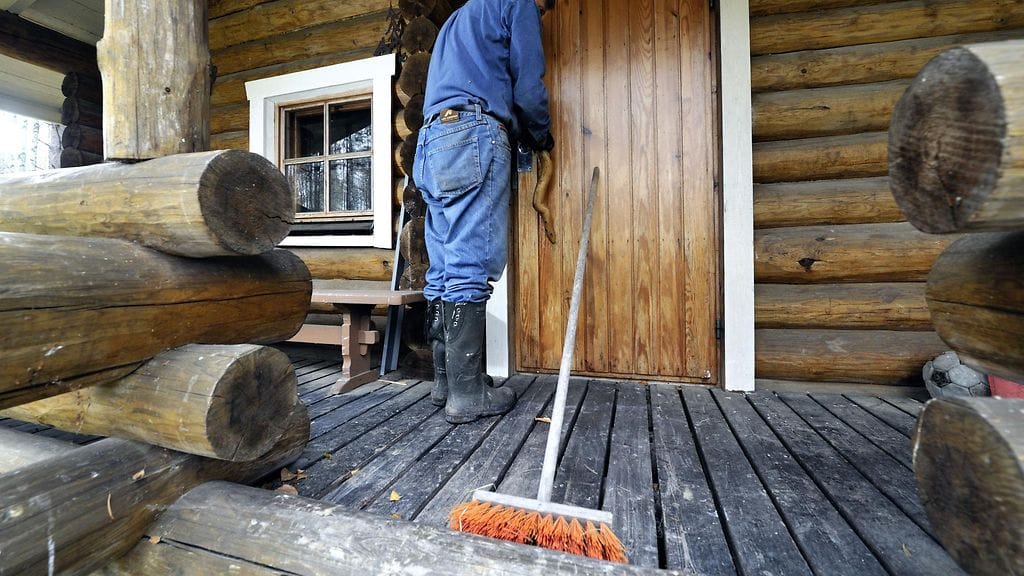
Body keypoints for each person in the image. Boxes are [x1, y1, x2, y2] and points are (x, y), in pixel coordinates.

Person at [413, 0, 555, 424]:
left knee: (443, 265)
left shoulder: (457, 19)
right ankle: (468, 395)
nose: (544, 13)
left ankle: (449, 383)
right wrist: (542, 138)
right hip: (473, 132)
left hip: (430, 140)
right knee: (471, 263)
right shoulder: (518, 3)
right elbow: (529, 86)